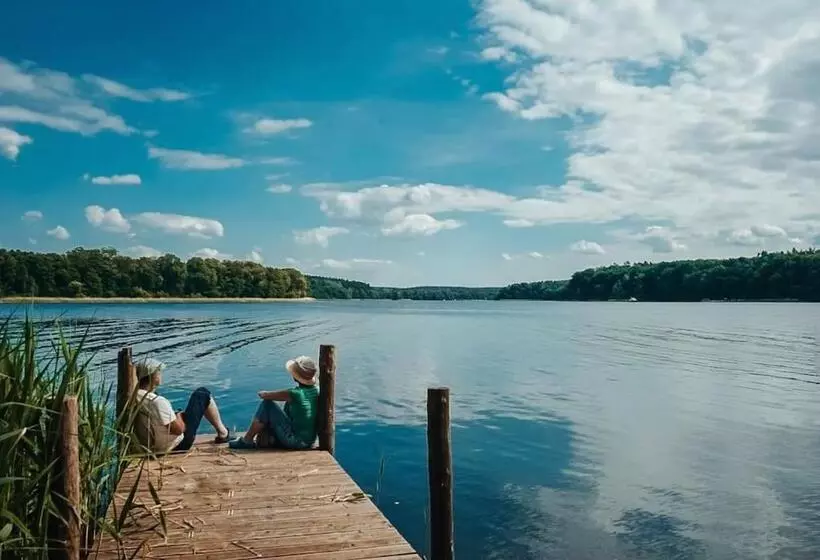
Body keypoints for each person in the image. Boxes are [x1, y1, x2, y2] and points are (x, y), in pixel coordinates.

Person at [133, 358, 230, 454]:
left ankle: (222, 433)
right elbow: (179, 430)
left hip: (149, 446)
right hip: (176, 446)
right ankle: (223, 433)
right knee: (202, 394)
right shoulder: (158, 401)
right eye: (159, 372)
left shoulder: (135, 396)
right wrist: (178, 416)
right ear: (154, 377)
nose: (161, 374)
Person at [229, 355, 319, 450]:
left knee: (267, 405)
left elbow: (264, 395)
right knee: (285, 406)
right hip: (309, 441)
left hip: (295, 442)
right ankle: (260, 439)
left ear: (295, 376)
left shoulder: (294, 393)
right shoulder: (316, 390)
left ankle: (247, 441)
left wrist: (261, 392)